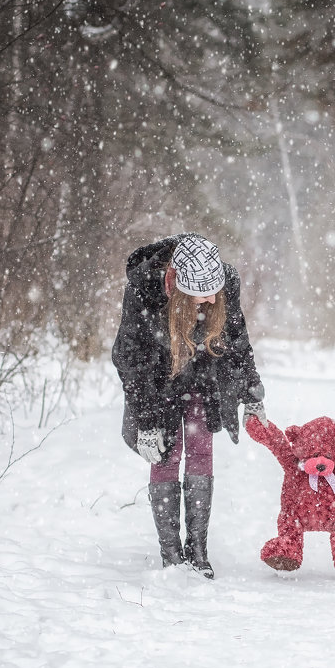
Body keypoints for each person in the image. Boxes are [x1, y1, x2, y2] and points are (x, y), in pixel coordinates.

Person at [112, 233, 265, 579]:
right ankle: (171, 555)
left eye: (215, 290)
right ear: (177, 283)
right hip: (157, 382)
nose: (212, 298)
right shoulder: (144, 289)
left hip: (202, 377)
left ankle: (198, 551)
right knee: (166, 453)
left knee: (200, 449)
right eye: (202, 292)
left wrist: (252, 395)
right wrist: (147, 424)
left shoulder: (224, 284)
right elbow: (132, 360)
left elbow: (237, 340)